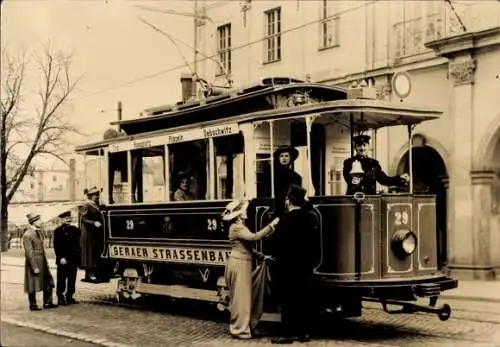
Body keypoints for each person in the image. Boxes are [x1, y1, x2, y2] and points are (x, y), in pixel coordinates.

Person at [222, 200, 280, 340]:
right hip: (239, 264)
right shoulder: (236, 228)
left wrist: (262, 256)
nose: (246, 212)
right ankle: (239, 330)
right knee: (241, 299)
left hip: (242, 263)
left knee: (244, 298)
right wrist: (271, 225)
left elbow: (248, 248)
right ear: (238, 215)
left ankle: (244, 327)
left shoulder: (239, 227)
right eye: (244, 211)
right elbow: (254, 238)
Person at [271, 184, 316, 344]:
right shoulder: (310, 217)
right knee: (304, 300)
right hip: (306, 266)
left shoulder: (284, 220)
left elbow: (277, 245)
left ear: (289, 201)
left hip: (288, 267)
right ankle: (304, 334)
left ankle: (286, 334)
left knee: (288, 301)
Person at [343, 134, 410, 195]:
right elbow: (348, 179)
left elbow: (384, 180)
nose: (362, 148)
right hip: (353, 198)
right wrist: (353, 181)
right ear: (355, 147)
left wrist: (399, 178)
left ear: (368, 147)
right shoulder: (349, 163)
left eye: (364, 145)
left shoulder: (374, 164)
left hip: (370, 199)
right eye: (359, 146)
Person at [23, 213, 57, 311]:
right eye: (38, 220)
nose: (40, 222)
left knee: (48, 281)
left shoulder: (38, 232)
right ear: (33, 222)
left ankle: (47, 302)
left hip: (42, 260)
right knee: (32, 283)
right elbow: (29, 253)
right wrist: (34, 267)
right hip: (34, 262)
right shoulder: (27, 234)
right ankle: (33, 305)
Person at [53, 210, 81, 305]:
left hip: (73, 259)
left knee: (72, 278)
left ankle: (70, 296)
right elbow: (56, 246)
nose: (68, 219)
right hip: (63, 259)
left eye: (69, 218)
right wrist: (61, 257)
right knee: (61, 279)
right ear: (61, 219)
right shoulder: (58, 231)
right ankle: (60, 297)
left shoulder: (75, 229)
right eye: (66, 218)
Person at [80, 186, 104, 282]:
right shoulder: (87, 205)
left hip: (95, 232)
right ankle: (90, 274)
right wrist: (94, 223)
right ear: (90, 196)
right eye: (95, 195)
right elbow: (84, 219)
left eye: (97, 194)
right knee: (90, 253)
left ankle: (93, 273)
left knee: (95, 252)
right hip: (88, 232)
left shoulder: (96, 204)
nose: (97, 196)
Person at [273, 145, 302, 216]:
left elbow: (297, 195)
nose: (284, 158)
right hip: (276, 207)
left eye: (286, 156)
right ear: (278, 158)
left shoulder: (296, 177)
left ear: (291, 158)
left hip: (290, 208)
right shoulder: (273, 174)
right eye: (281, 156)